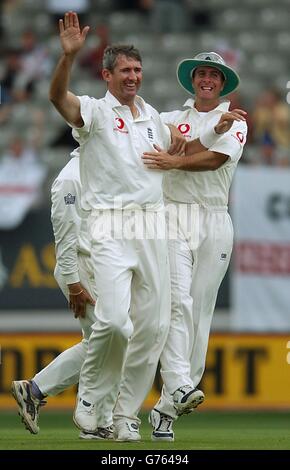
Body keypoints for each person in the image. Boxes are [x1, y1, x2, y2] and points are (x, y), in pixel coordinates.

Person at [48, 11, 176, 442]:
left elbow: (180, 143)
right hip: (110, 228)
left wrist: (219, 123)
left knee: (154, 330)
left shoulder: (152, 117)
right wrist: (67, 58)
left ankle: (123, 418)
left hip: (153, 229)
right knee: (116, 322)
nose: (133, 76)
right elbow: (57, 98)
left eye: (138, 70)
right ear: (106, 75)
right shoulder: (96, 112)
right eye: (125, 70)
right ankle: (89, 403)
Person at [142, 52, 247, 441]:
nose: (206, 80)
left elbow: (216, 159)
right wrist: (174, 158)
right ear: (192, 80)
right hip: (173, 216)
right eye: (201, 73)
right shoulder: (168, 119)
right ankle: (181, 384)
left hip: (216, 220)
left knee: (200, 315)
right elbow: (170, 150)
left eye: (213, 75)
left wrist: (175, 161)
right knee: (178, 303)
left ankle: (167, 408)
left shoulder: (235, 122)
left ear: (222, 84)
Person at [11, 149, 115, 440]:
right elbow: (65, 236)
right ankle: (96, 420)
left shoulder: (102, 166)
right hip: (81, 267)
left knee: (106, 341)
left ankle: (35, 391)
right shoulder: (70, 178)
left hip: (100, 265)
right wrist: (73, 283)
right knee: (113, 339)